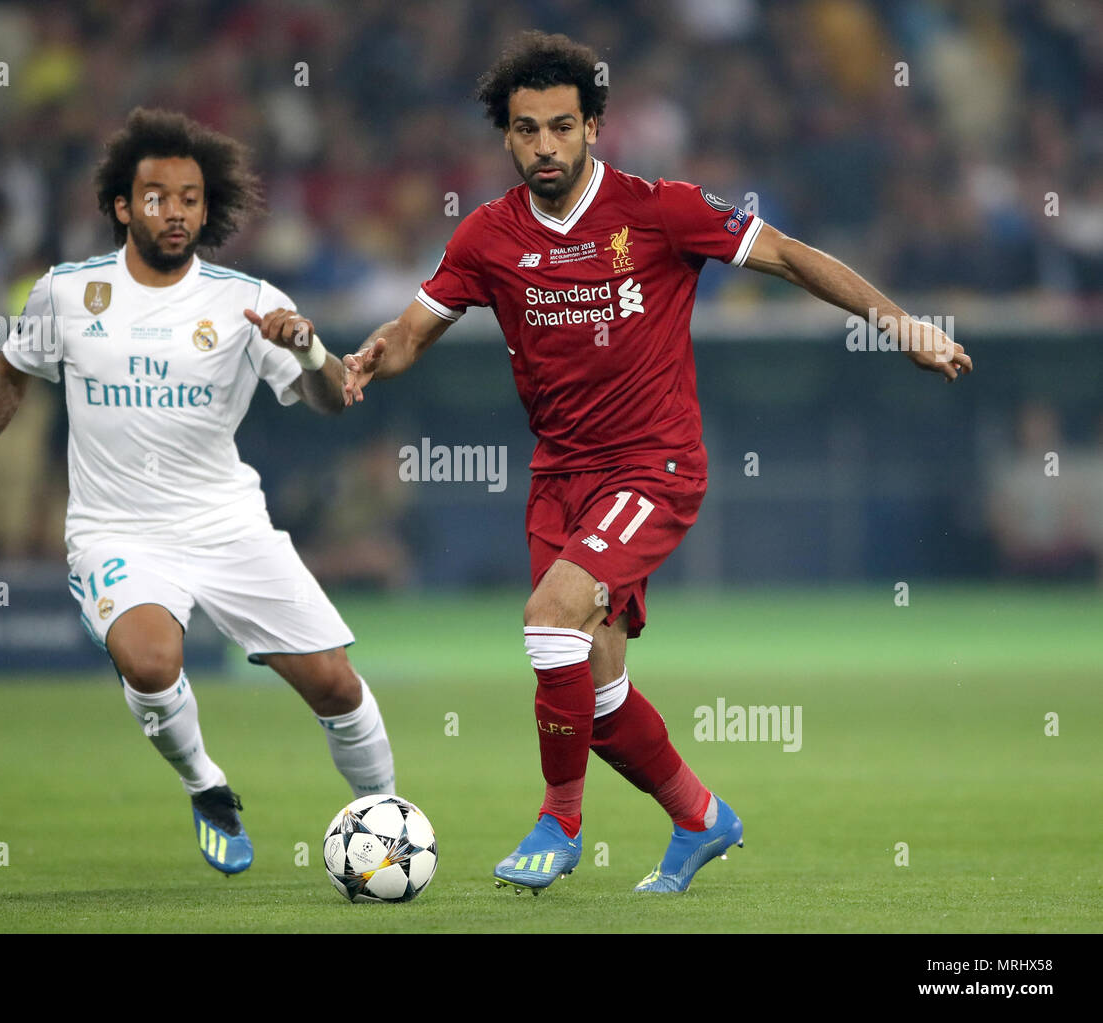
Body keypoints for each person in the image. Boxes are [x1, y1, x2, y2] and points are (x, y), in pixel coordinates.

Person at [342, 32, 972, 894]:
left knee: (549, 617)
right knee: (594, 694)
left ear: (594, 126)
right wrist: (376, 354)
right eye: (527, 130)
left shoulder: (661, 208)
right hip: (560, 478)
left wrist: (901, 323)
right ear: (507, 139)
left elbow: (789, 255)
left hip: (654, 466)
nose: (545, 147)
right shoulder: (489, 236)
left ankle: (558, 818)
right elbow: (416, 328)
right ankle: (702, 816)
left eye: (562, 126)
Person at [0, 108, 396, 876]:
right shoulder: (67, 292)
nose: (177, 212)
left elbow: (335, 399)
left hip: (228, 523)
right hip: (117, 530)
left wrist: (306, 347)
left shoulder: (246, 300)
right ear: (123, 206)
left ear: (209, 209)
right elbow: (8, 375)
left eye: (191, 199)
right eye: (159, 196)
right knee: (148, 659)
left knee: (334, 684)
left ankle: (386, 820)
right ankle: (206, 785)